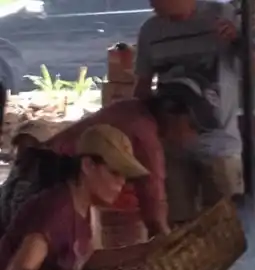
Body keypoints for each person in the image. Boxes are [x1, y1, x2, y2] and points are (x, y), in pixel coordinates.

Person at [0, 124, 158, 270]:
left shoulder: (85, 207)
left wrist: (146, 249)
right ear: (88, 166)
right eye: (114, 173)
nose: (121, 183)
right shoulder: (56, 209)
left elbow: (87, 259)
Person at [134, 0, 255, 224]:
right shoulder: (150, 31)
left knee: (226, 227)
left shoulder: (221, 15)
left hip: (219, 146)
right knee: (179, 228)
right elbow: (142, 88)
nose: (151, 3)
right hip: (173, 147)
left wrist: (238, 41)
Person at [45, 91, 202, 237]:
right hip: (49, 176)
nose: (193, 137)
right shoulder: (144, 135)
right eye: (192, 127)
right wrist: (165, 243)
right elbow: (154, 207)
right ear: (172, 115)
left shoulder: (131, 108)